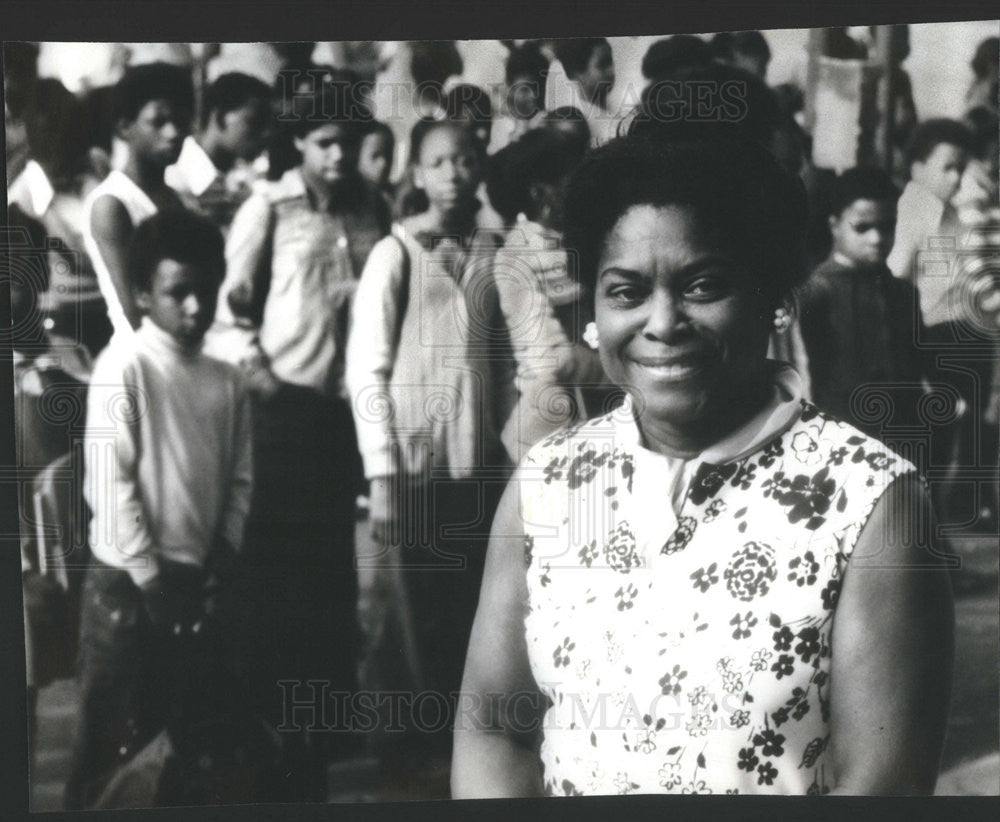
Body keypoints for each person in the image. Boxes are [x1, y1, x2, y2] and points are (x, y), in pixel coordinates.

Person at [453, 133, 953, 797]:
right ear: (595, 310)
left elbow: (880, 783)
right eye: (627, 292)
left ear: (771, 296)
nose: (663, 322)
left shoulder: (869, 500)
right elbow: (494, 725)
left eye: (703, 286)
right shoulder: (548, 483)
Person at [206, 79, 387, 800]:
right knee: (277, 572)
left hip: (343, 416)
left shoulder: (370, 209)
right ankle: (273, 730)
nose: (338, 156)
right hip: (283, 414)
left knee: (332, 572)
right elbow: (229, 313)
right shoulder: (268, 209)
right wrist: (264, 381)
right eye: (324, 144)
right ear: (302, 146)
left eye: (348, 143)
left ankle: (325, 727)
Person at [64, 211, 252, 809]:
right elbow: (111, 483)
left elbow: (240, 479)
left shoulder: (228, 378)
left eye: (207, 290)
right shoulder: (127, 365)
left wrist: (222, 551)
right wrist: (150, 580)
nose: (196, 307)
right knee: (112, 747)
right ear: (144, 292)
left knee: (183, 750)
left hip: (194, 583)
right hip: (128, 589)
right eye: (178, 292)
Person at [345, 118, 515, 765]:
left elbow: (502, 360)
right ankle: (408, 744)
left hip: (477, 464)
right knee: (409, 607)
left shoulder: (496, 249)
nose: (453, 174)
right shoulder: (396, 253)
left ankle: (464, 744)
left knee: (470, 601)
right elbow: (368, 365)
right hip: (415, 461)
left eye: (466, 160)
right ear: (417, 174)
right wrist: (382, 472)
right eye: (439, 162)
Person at [491, 128, 609, 462]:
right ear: (541, 192)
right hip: (555, 415)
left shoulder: (589, 240)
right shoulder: (516, 257)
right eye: (574, 179)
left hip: (606, 402)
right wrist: (621, 371)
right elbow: (548, 360)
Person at [798, 168, 928, 445]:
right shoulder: (814, 295)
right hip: (838, 442)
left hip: (901, 443)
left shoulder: (904, 294)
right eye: (862, 227)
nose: (876, 239)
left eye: (886, 226)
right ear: (834, 224)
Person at [82, 62, 194, 342]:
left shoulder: (177, 198)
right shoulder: (112, 204)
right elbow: (133, 310)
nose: (173, 133)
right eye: (159, 122)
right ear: (124, 128)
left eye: (180, 122)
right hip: (142, 354)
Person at [8, 78, 113, 356]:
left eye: (68, 138)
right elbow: (17, 295)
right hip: (65, 322)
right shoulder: (23, 198)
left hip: (110, 305)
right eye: (50, 141)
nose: (60, 151)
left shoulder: (95, 165)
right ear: (35, 141)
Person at [165, 72, 273, 234]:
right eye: (256, 121)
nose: (266, 133)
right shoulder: (175, 173)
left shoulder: (249, 178)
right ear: (221, 118)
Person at [551, 38, 617, 146]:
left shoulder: (616, 108)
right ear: (577, 73)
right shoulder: (578, 125)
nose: (612, 70)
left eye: (611, 62)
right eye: (603, 65)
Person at [488, 42, 550, 155]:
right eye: (525, 89)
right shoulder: (498, 127)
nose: (533, 96)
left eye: (538, 88)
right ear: (508, 88)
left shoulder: (546, 122)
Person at [358, 119, 396, 203]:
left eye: (388, 155)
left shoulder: (397, 198)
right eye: (375, 156)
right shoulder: (351, 200)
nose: (384, 163)